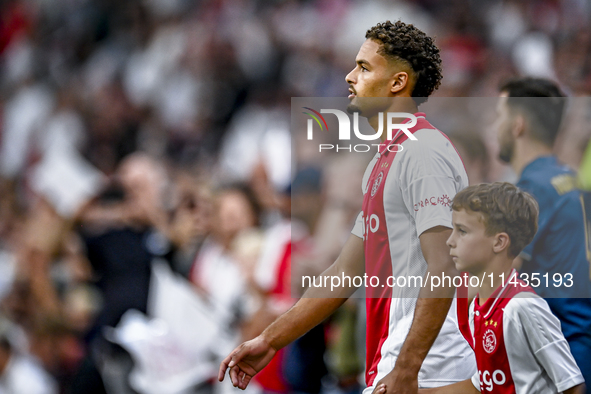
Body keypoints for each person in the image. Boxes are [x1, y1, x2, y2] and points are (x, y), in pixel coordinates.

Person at [218, 20, 476, 393]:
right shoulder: (384, 160)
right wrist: (271, 339)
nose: (349, 76)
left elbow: (444, 264)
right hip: (397, 361)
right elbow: (345, 270)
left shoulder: (423, 153)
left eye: (364, 67)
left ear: (398, 82)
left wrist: (409, 368)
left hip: (432, 368)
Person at [421, 182, 585, 393]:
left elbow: (572, 385)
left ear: (499, 242)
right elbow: (482, 384)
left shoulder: (522, 306)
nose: (450, 241)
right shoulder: (478, 308)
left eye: (461, 231)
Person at [495, 77, 591, 392]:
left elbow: (499, 277)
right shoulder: (569, 179)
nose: (494, 127)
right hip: (578, 349)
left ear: (518, 125)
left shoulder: (531, 190)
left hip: (559, 363)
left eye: (498, 116)